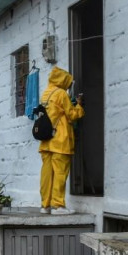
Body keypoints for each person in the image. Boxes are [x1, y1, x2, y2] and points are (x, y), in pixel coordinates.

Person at [38, 66, 85, 215]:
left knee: (46, 174)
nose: (69, 85)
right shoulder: (61, 94)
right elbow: (71, 115)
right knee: (60, 172)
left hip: (46, 140)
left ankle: (45, 205)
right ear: (62, 80)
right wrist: (79, 105)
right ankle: (58, 205)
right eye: (68, 82)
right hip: (60, 139)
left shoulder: (45, 93)